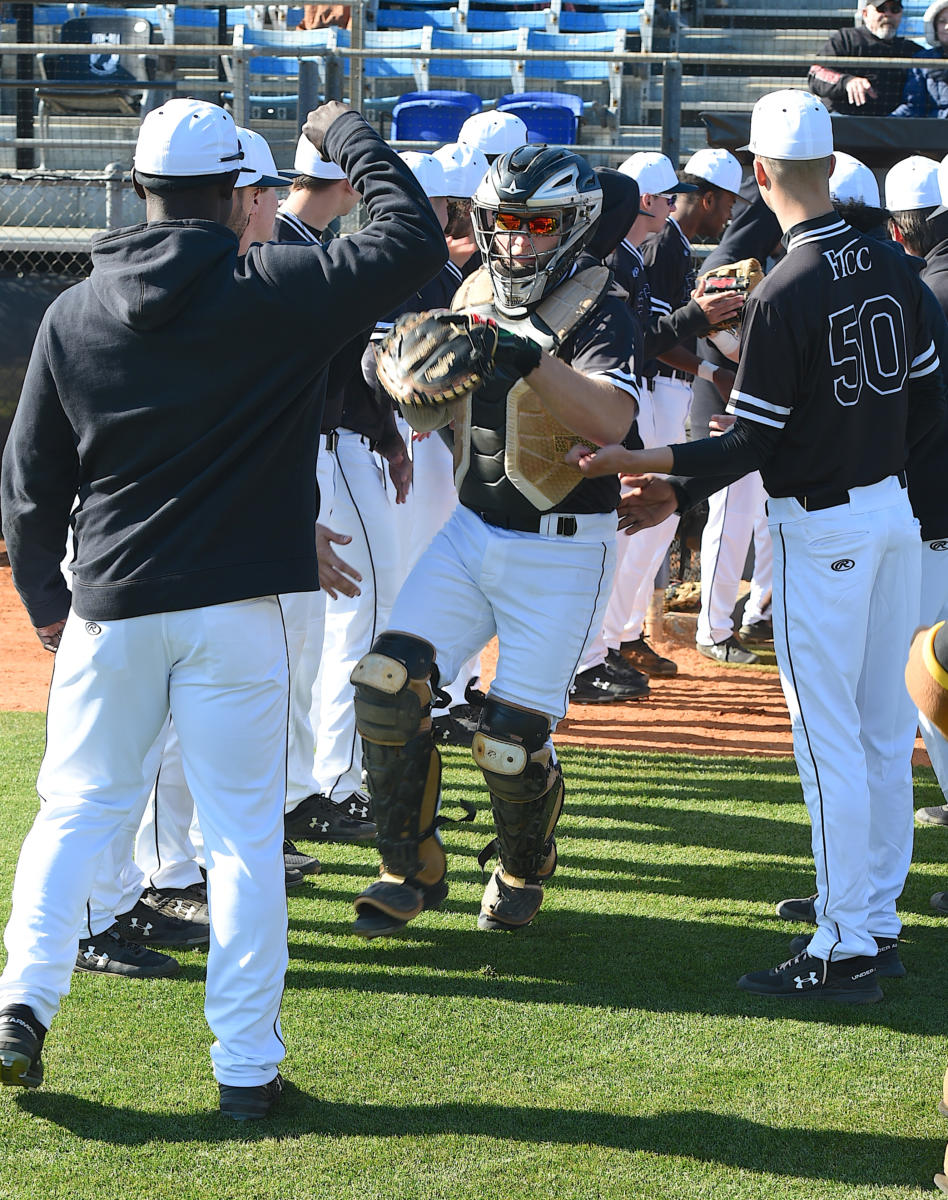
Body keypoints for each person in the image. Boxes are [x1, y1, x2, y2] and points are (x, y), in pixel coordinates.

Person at [0, 98, 446, 1115]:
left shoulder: (74, 311)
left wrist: (41, 604)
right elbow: (412, 238)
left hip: (112, 603)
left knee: (74, 813)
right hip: (236, 610)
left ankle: (20, 1007)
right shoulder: (275, 287)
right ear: (241, 196)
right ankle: (245, 1073)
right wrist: (344, 132)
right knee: (242, 841)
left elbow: (29, 487)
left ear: (142, 190)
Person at [568, 90, 946, 1003]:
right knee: (884, 733)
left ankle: (845, 943)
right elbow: (929, 395)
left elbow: (749, 443)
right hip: (893, 513)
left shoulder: (784, 289)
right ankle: (874, 915)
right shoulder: (891, 261)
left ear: (763, 174)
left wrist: (645, 460)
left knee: (829, 744)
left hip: (826, 526)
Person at [349, 144, 640, 938]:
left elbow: (613, 420)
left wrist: (524, 355)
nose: (516, 242)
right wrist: (400, 376)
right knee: (383, 681)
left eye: (538, 224)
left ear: (574, 228)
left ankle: (521, 866)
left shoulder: (602, 302)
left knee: (509, 746)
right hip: (472, 530)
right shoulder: (472, 289)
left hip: (564, 545)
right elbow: (433, 415)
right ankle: (408, 865)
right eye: (505, 223)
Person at [274, 131, 380, 846]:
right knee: (291, 643)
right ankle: (295, 796)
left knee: (305, 639)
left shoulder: (300, 244)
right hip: (302, 452)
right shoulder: (282, 251)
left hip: (321, 447)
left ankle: (296, 793)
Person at [808, 0, 918, 115]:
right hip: (843, 119)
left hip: (892, 124)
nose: (888, 14)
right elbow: (816, 74)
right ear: (865, 14)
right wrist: (847, 81)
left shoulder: (912, 50)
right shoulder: (845, 39)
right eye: (881, 9)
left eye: (895, 9)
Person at [893, 0, 948, 118]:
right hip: (935, 129)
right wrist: (885, 123)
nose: (947, 27)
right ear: (934, 27)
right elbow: (914, 106)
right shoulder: (922, 59)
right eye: (942, 21)